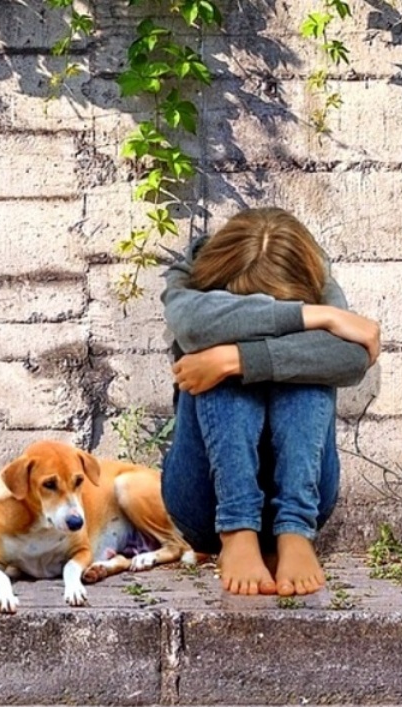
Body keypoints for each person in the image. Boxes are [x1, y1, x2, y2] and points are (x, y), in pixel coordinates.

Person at [159, 207, 381, 596]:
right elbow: (194, 326)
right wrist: (317, 317)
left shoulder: (316, 276)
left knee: (307, 368)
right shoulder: (190, 276)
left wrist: (241, 358)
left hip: (305, 496)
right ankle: (237, 531)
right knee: (215, 361)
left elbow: (350, 358)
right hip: (203, 503)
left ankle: (295, 532)